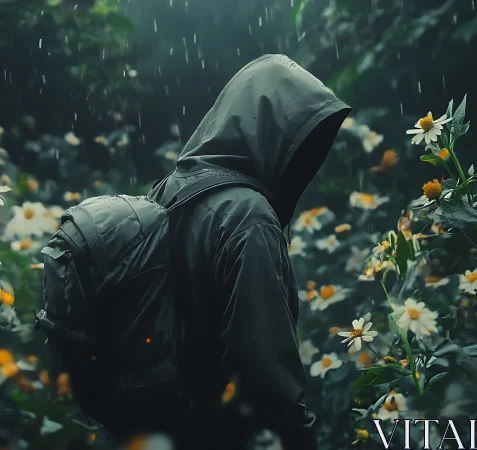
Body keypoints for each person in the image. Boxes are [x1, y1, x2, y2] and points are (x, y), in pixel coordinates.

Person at [148, 54, 351, 450]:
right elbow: (266, 378)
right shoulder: (248, 216)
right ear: (275, 137)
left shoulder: (167, 190)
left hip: (157, 430)